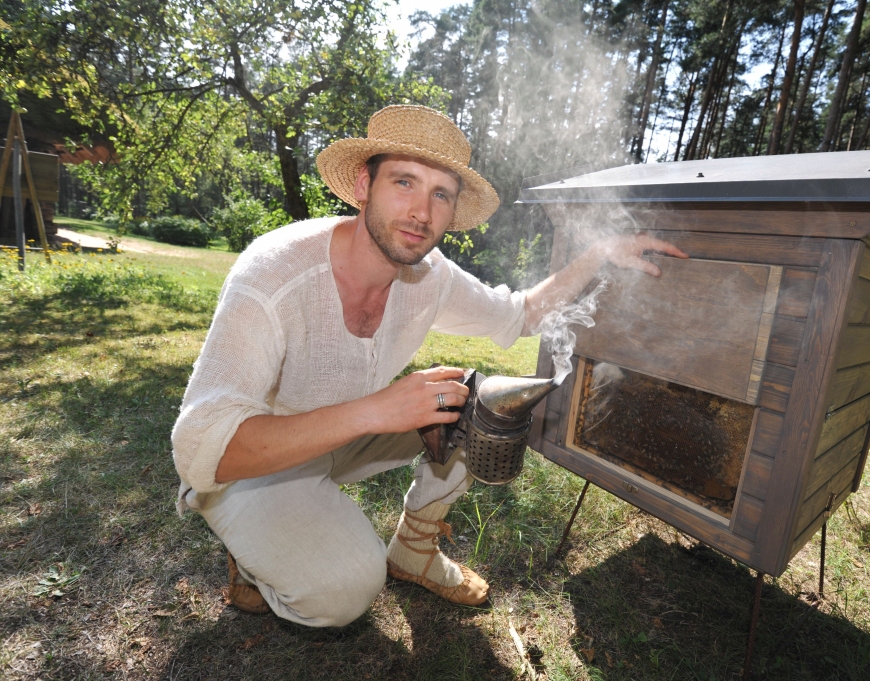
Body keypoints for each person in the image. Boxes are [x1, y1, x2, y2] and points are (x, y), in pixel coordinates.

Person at [171, 105, 686, 627]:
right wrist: (375, 411)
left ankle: (413, 550)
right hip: (247, 470)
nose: (422, 211)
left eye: (441, 194)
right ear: (362, 185)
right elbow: (200, 451)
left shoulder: (430, 275)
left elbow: (522, 313)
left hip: (340, 442)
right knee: (343, 594)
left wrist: (598, 253)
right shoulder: (274, 274)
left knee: (479, 405)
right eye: (404, 182)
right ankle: (252, 549)